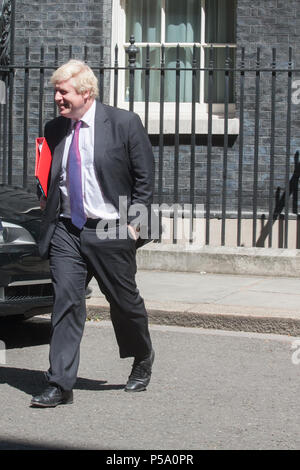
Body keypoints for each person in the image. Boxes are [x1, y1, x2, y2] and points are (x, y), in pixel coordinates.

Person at [31, 60, 155, 408]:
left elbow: (145, 180)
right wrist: (46, 199)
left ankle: (142, 356)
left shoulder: (123, 123)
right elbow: (46, 171)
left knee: (124, 302)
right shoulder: (55, 128)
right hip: (67, 230)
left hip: (111, 227)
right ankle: (59, 383)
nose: (57, 97)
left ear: (85, 93)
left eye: (63, 91)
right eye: (56, 91)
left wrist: (134, 228)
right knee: (66, 303)